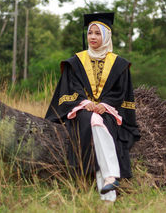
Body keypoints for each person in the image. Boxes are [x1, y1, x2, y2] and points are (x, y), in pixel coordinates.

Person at [45, 12, 140, 202]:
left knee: (99, 122)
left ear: (106, 37)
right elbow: (71, 87)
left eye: (98, 33)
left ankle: (107, 196)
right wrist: (85, 102)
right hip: (82, 109)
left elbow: (120, 92)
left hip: (108, 110)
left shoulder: (118, 64)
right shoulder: (76, 62)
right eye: (90, 33)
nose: (93, 37)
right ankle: (111, 177)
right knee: (94, 121)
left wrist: (104, 104)